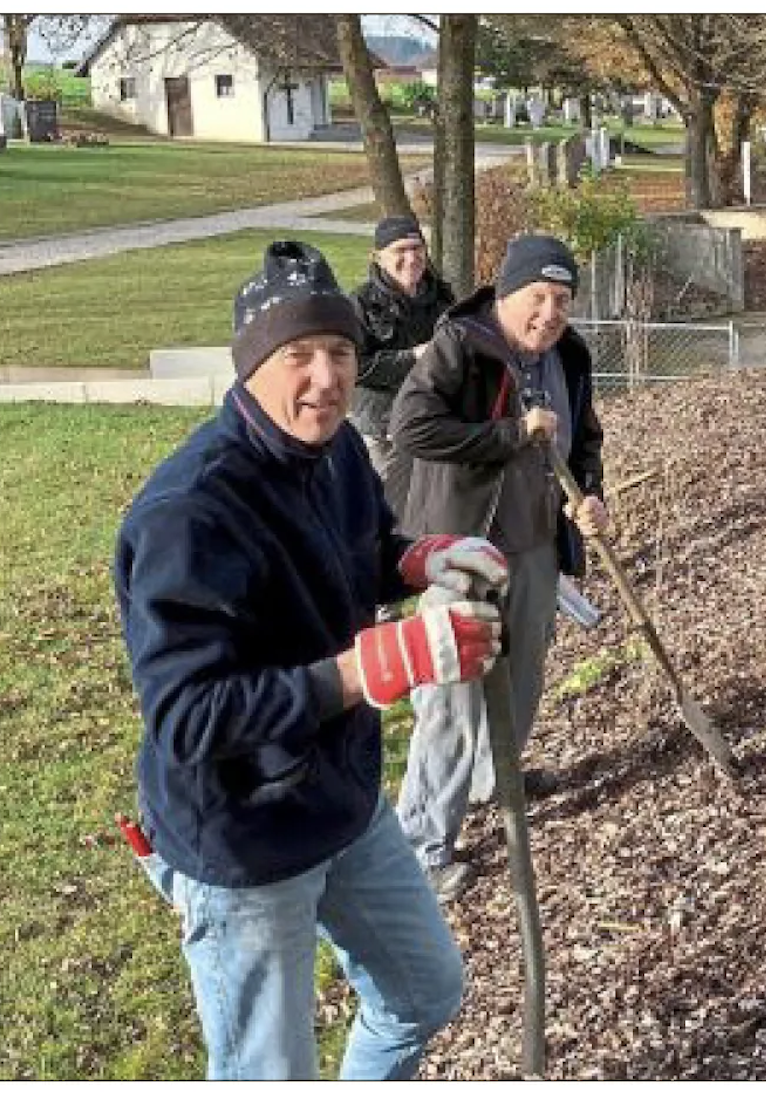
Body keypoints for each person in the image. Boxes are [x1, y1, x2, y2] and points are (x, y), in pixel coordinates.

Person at [113, 240, 514, 1080]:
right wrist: (370, 669)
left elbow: (360, 548)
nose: (326, 379)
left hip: (340, 797)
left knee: (425, 993)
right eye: (298, 356)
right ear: (251, 367)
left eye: (338, 353)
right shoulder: (188, 512)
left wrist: (418, 561)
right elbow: (188, 718)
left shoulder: (333, 454)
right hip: (243, 839)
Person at [390, 233, 609, 904]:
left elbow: (586, 438)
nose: (549, 312)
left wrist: (590, 496)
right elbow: (412, 427)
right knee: (453, 695)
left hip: (538, 545)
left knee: (522, 679)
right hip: (464, 548)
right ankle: (423, 845)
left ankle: (493, 780)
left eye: (563, 299)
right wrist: (511, 436)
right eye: (537, 296)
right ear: (506, 293)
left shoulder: (569, 355)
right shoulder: (463, 343)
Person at [349, 215, 455, 519]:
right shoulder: (360, 304)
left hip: (434, 421)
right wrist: (412, 357)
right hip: (383, 428)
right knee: (389, 512)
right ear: (378, 257)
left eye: (417, 248)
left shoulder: (443, 298)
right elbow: (357, 366)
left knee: (433, 509)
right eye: (400, 251)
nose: (411, 258)